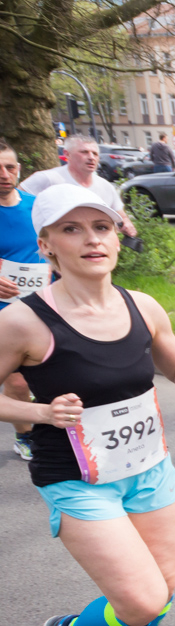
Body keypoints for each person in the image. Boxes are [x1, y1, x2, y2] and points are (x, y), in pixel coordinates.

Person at [0, 184, 175, 626]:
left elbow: (174, 366)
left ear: (117, 237)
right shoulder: (24, 321)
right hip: (77, 479)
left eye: (101, 227)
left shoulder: (142, 306)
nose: (91, 240)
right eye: (72, 229)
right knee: (140, 598)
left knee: (162, 589)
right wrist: (40, 413)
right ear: (47, 244)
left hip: (149, 467)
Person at [0, 138, 44, 461]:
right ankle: (25, 436)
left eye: (9, 167)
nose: (4, 174)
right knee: (16, 380)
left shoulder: (37, 205)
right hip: (5, 311)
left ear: (19, 169)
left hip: (45, 304)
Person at [20, 136, 138, 240]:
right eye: (84, 152)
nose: (91, 157)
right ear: (67, 154)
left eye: (95, 153)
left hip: (93, 251)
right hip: (52, 254)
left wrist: (127, 225)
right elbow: (14, 204)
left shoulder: (106, 186)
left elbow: (121, 217)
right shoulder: (47, 178)